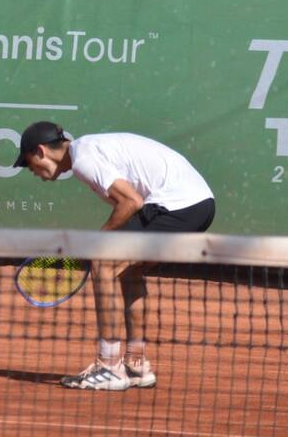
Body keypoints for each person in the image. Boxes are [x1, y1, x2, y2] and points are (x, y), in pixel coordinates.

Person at [13, 121, 215, 391]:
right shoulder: (86, 153)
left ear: (40, 152)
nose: (33, 172)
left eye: (29, 164)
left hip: (177, 205)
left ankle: (108, 366)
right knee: (129, 270)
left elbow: (131, 202)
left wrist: (99, 241)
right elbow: (134, 204)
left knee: (103, 264)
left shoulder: (84, 159)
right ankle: (136, 363)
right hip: (195, 204)